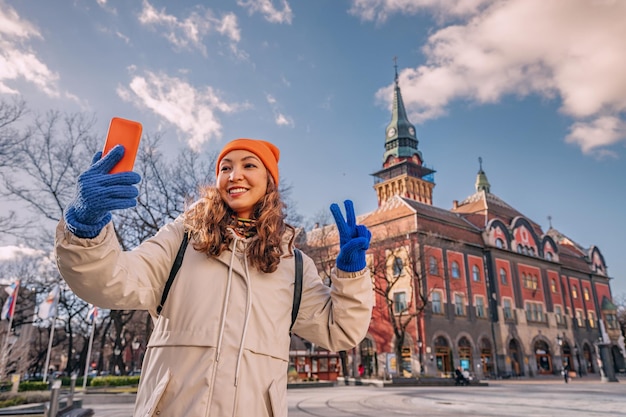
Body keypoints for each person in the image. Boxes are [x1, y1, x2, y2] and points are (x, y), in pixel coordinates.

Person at [55, 138, 374, 417]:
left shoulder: (294, 264)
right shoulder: (181, 240)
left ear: (269, 182)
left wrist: (351, 273)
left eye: (249, 165)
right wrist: (85, 225)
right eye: (225, 167)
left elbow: (341, 331)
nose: (235, 175)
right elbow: (109, 282)